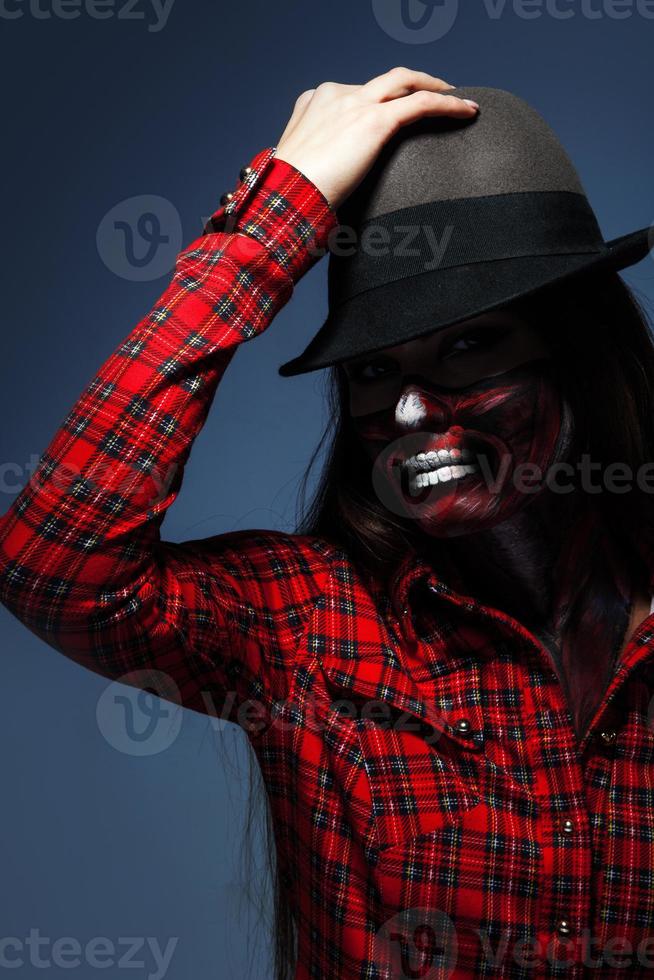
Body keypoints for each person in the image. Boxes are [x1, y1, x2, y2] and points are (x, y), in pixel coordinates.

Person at [1, 67, 654, 978]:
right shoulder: (309, 626)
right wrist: (277, 217)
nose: (416, 411)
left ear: (581, 354)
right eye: (376, 372)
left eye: (471, 344)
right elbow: (52, 563)